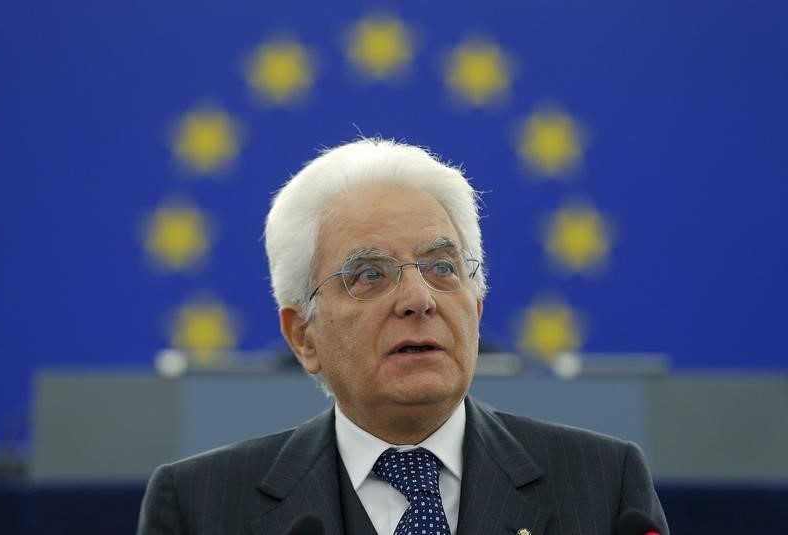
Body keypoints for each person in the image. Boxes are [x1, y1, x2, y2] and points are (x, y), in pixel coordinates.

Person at [137, 138, 669, 535]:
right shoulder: (199, 507)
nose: (419, 298)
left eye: (442, 267)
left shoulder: (604, 484)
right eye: (369, 275)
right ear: (303, 336)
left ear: (476, 308)